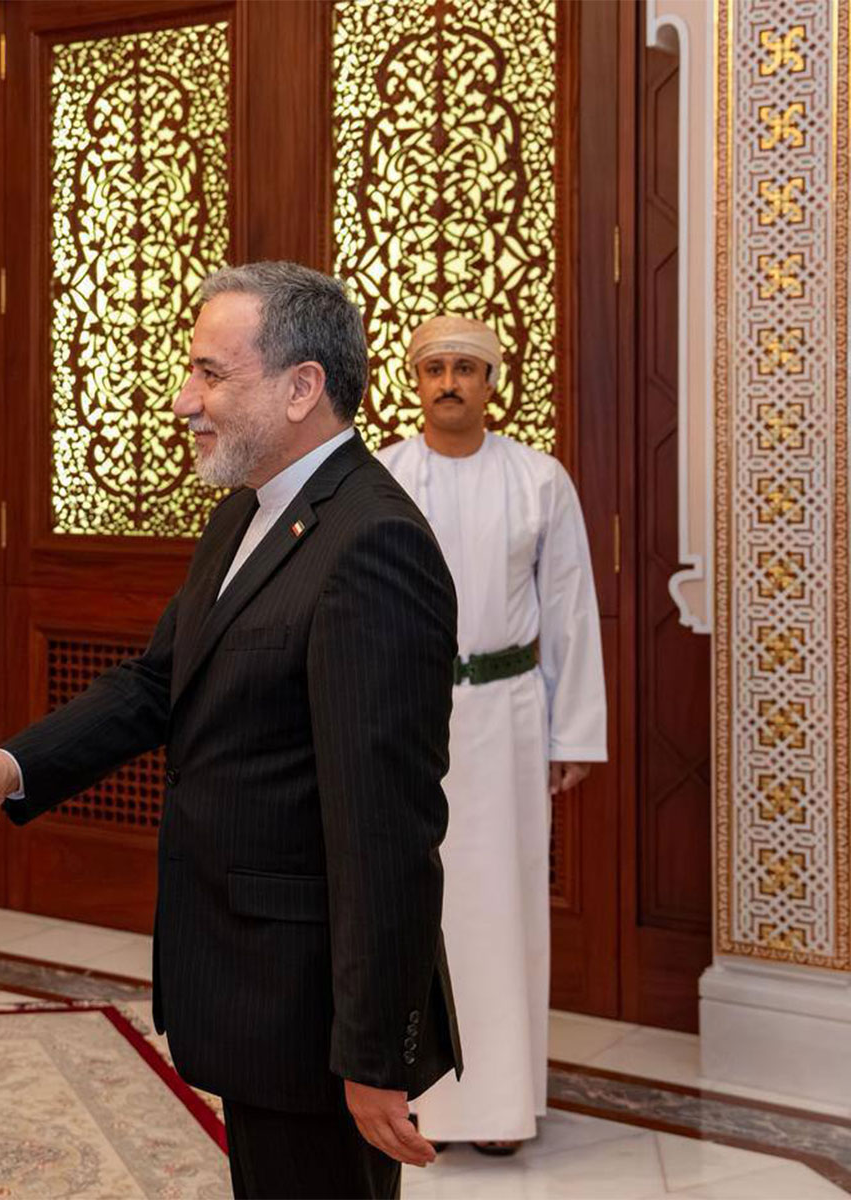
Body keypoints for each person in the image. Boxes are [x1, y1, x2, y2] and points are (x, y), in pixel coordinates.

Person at [0, 262, 462, 1200]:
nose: (186, 401)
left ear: (303, 386)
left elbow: (386, 832)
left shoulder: (372, 542)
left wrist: (371, 1054)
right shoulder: (252, 512)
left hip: (311, 1009)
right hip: (253, 992)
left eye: (210, 374)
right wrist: (16, 765)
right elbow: (161, 685)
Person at [377, 314, 608, 1154]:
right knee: (414, 901)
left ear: (492, 381)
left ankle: (503, 1105)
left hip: (509, 715)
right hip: (411, 718)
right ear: (416, 380)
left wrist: (573, 733)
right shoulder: (383, 477)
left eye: (466, 368)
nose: (450, 381)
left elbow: (573, 611)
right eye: (435, 366)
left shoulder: (538, 480)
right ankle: (415, 1099)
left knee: (503, 903)